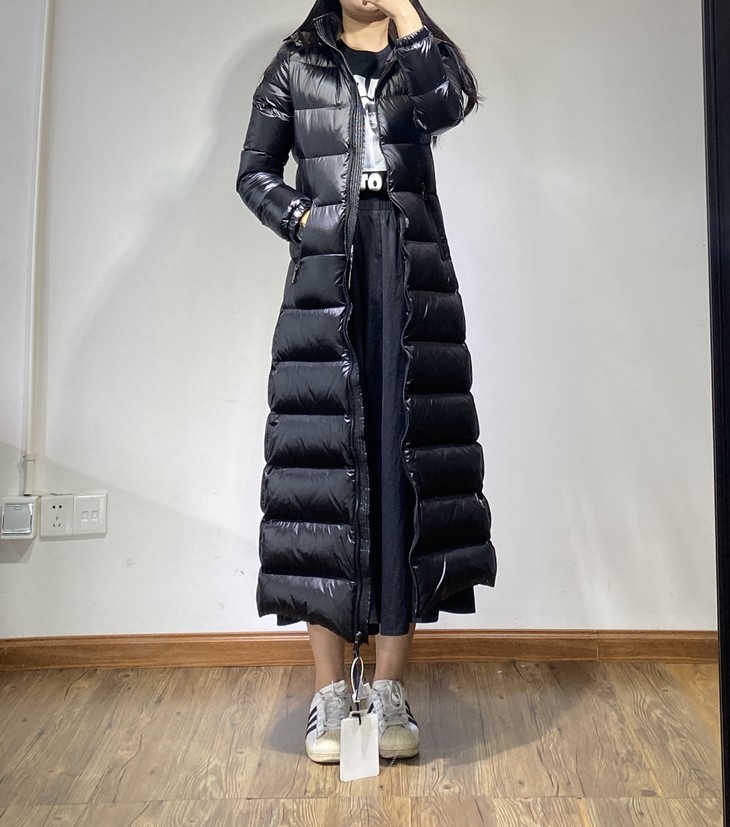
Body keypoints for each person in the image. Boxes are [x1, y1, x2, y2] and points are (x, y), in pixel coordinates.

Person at [236, 0, 497, 765]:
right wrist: (306, 220)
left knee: (403, 474)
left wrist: (409, 15)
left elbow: (448, 106)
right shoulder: (298, 62)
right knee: (321, 479)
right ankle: (328, 694)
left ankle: (388, 690)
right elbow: (253, 172)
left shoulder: (420, 57)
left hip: (411, 278)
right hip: (329, 279)